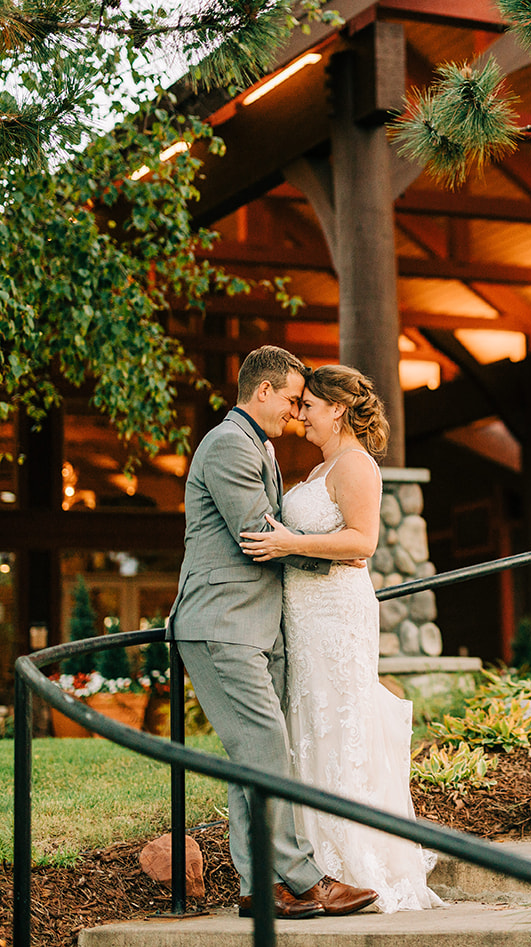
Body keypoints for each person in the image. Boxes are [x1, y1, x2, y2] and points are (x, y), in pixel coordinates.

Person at [168, 346, 378, 920]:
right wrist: (334, 560)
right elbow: (257, 533)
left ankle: (258, 887)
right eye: (290, 399)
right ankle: (307, 879)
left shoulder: (259, 444)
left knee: (249, 758)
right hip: (223, 623)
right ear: (263, 391)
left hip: (261, 626)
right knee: (264, 750)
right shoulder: (228, 444)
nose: (294, 412)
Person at [240, 363, 444, 913]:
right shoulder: (318, 469)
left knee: (338, 723)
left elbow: (363, 541)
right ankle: (310, 866)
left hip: (336, 617)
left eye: (307, 404)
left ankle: (350, 864)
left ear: (336, 408)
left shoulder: (355, 465)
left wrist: (287, 545)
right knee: (307, 728)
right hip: (303, 618)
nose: (298, 412)